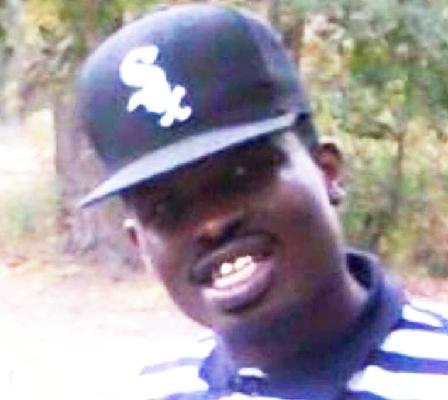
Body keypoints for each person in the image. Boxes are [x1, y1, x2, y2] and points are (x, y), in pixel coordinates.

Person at [77, 4, 448, 399]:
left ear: (326, 171)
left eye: (241, 176)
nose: (211, 223)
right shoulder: (153, 390)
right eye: (166, 209)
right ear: (140, 245)